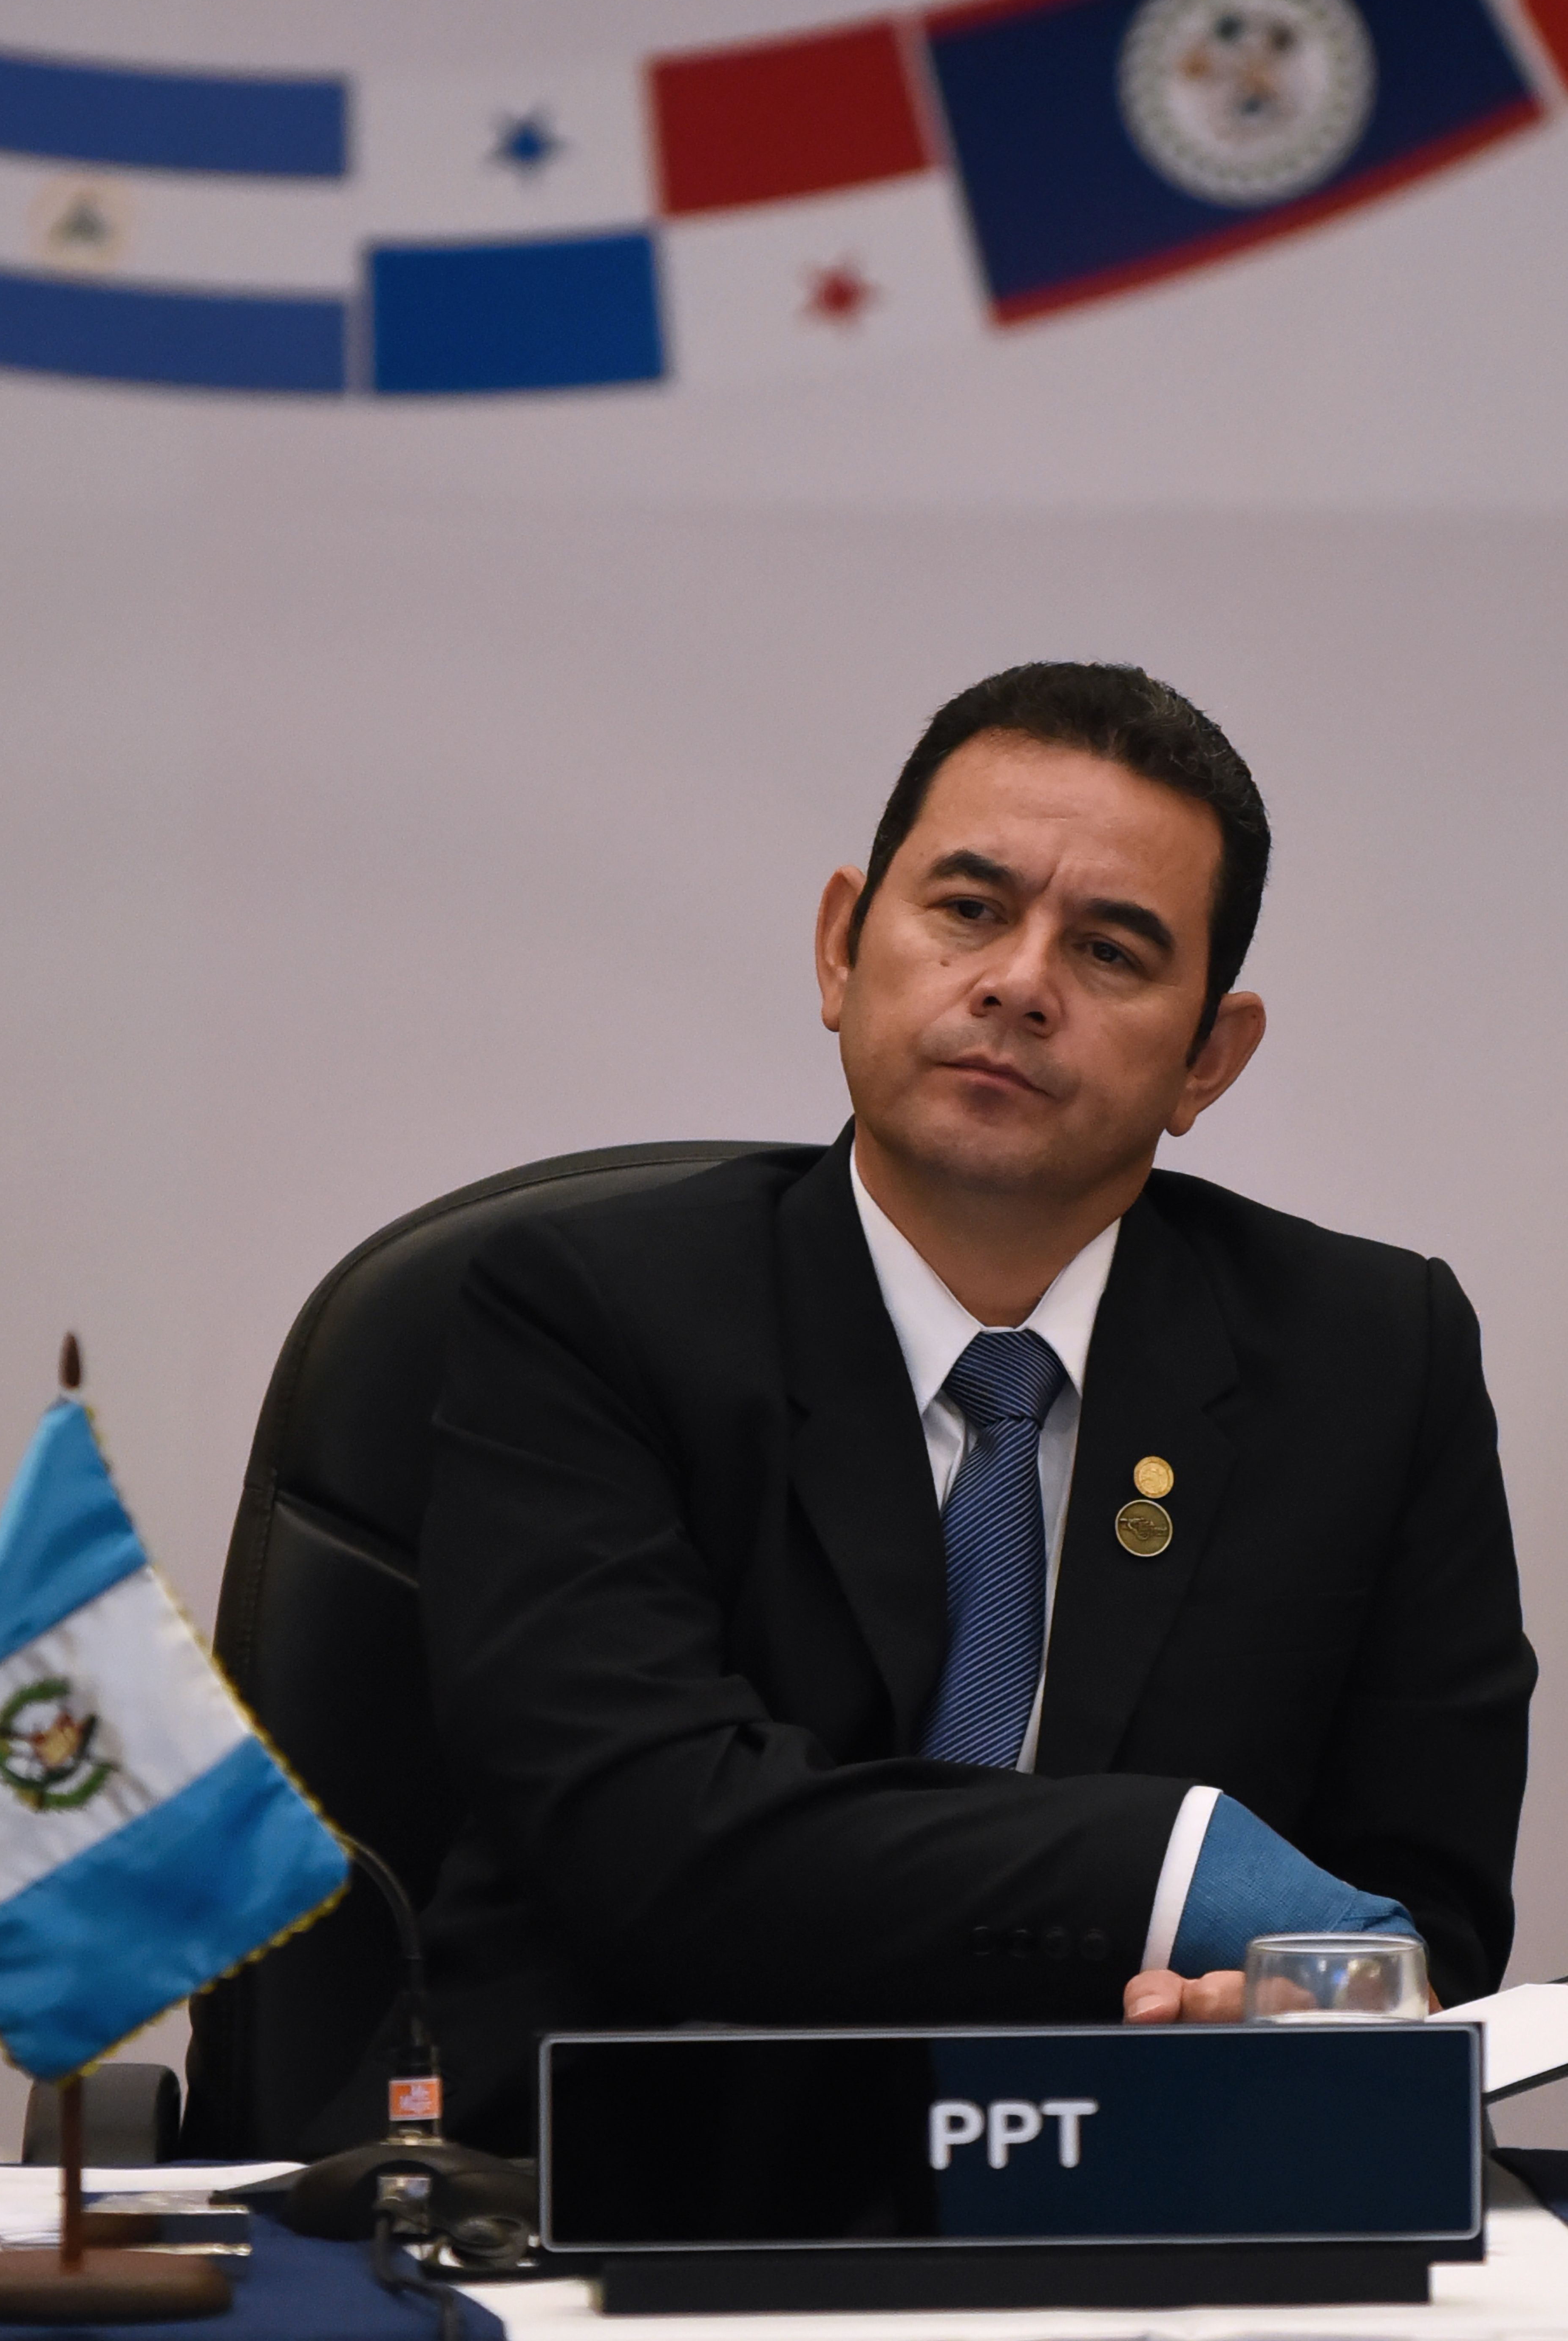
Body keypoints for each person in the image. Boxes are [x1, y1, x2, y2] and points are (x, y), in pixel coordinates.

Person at [411, 662, 1533, 2155]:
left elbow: (1420, 1929)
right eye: (966, 909)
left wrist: (1300, 1996)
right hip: (620, 2177)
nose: (1016, 981)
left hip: (1164, 2186)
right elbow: (647, 1839)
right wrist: (1168, 1866)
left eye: (1114, 950)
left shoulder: (1369, 1361)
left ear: (1209, 1057)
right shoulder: (583, 1311)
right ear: (838, 949)